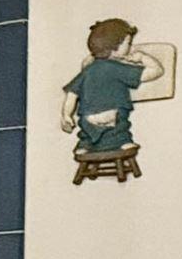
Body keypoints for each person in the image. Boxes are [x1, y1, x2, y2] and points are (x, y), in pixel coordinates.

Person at [63, 19, 147, 158]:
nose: (131, 48)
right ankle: (122, 141)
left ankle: (85, 145)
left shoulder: (88, 71)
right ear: (114, 47)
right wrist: (144, 58)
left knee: (88, 131)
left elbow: (72, 93)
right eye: (128, 43)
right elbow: (155, 72)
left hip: (87, 119)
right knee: (119, 128)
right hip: (113, 114)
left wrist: (66, 115)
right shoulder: (116, 68)